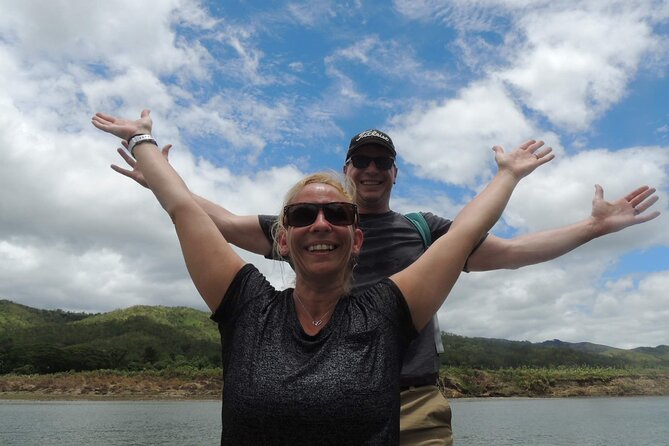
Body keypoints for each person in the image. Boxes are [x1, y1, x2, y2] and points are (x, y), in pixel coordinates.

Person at [110, 128, 660, 446]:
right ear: (285, 236)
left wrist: (593, 227)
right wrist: (159, 177)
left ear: (394, 174)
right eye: (362, 161)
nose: (372, 169)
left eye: (383, 162)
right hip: (302, 393)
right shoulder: (304, 225)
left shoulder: (425, 232)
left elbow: (512, 252)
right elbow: (209, 220)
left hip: (411, 396)